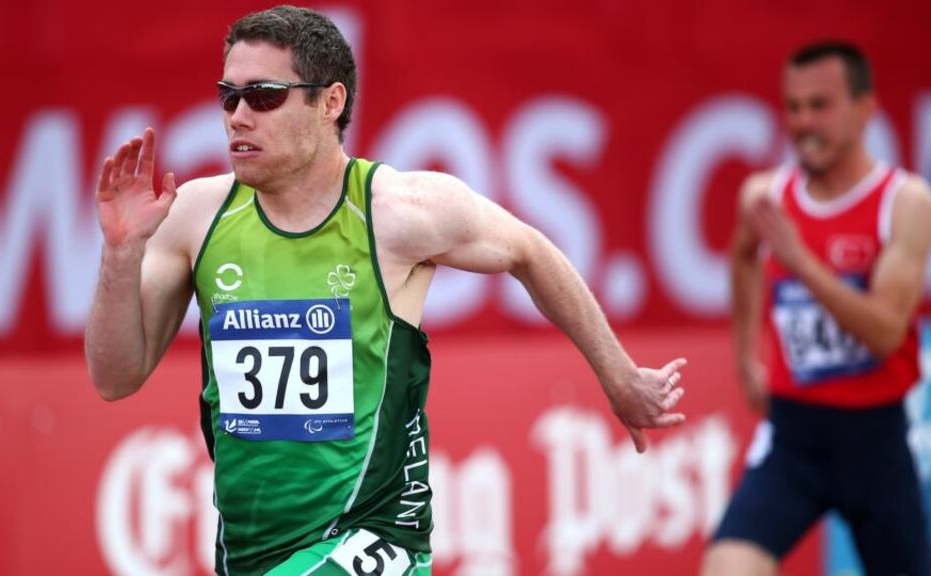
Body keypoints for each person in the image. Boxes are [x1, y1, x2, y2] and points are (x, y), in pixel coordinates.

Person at [84, 6, 688, 575]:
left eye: (263, 96)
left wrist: (620, 377)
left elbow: (529, 250)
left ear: (330, 102)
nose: (239, 116)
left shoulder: (397, 212)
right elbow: (116, 377)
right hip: (250, 549)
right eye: (228, 96)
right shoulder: (197, 215)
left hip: (371, 536)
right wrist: (119, 254)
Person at [702, 41, 931, 576]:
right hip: (794, 441)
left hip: (877, 445)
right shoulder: (764, 196)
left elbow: (884, 330)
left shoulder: (905, 202)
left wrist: (802, 264)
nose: (803, 122)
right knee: (726, 568)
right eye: (793, 107)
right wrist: (744, 359)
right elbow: (742, 259)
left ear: (865, 109)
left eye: (820, 105)